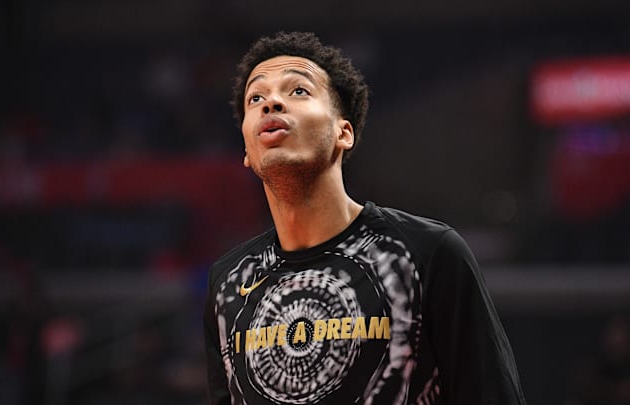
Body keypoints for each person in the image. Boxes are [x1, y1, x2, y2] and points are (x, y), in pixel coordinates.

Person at [203, 31, 526, 405]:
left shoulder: (427, 254)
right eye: (255, 98)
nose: (271, 103)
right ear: (246, 149)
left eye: (298, 91)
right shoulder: (228, 280)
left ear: (344, 133)